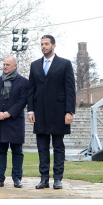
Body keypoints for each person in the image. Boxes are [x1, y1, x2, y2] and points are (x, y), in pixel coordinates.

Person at [27, 35, 76, 190]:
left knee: (58, 146)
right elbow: (31, 90)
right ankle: (44, 178)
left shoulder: (65, 64)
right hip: (40, 113)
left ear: (53, 46)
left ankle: (57, 179)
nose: (43, 46)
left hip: (59, 112)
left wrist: (69, 112)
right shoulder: (34, 65)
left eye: (46, 44)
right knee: (42, 147)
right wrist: (30, 110)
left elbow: (70, 89)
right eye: (41, 44)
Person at [0, 55, 28, 188]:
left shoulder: (23, 82)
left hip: (15, 121)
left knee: (17, 151)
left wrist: (9, 113)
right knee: (1, 151)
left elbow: (23, 100)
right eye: (4, 64)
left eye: (8, 64)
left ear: (15, 66)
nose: (5, 66)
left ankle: (17, 178)